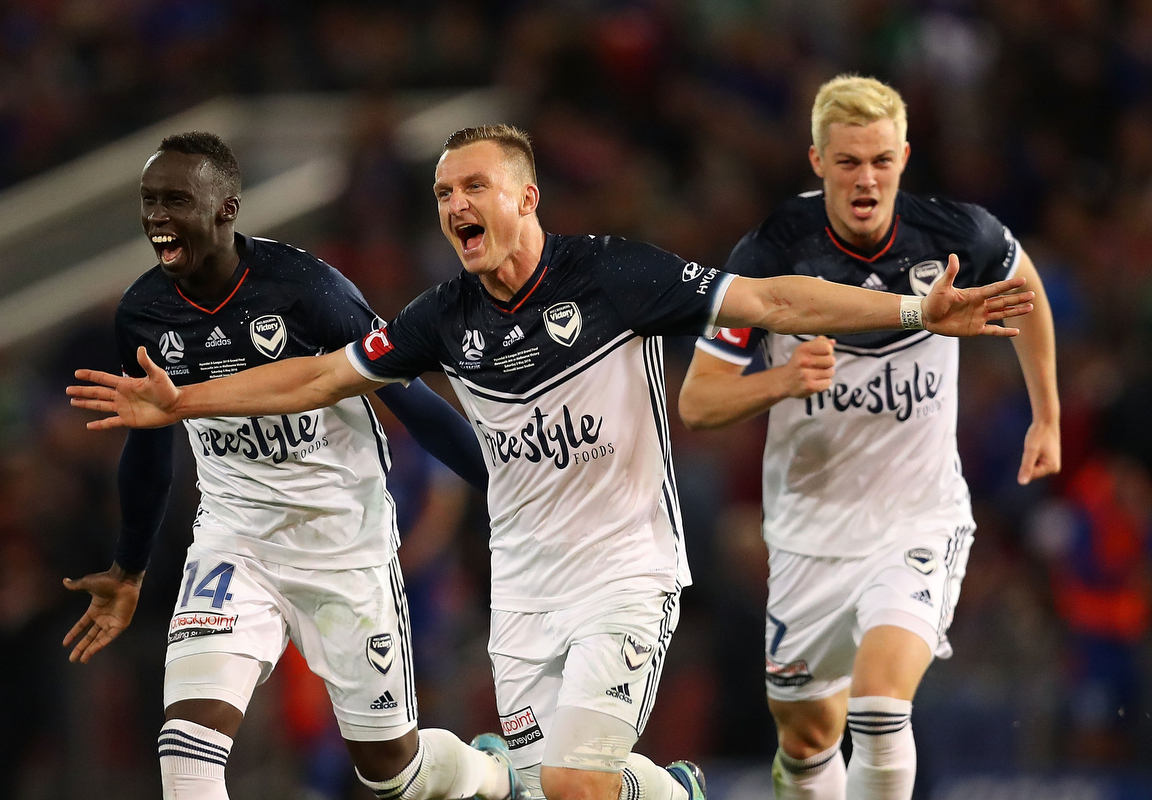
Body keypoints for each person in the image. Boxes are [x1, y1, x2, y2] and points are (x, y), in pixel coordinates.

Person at [67, 125, 1033, 800]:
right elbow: (317, 379)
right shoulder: (440, 318)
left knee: (572, 785)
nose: (453, 205)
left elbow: (775, 301)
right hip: (523, 591)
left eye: (472, 187)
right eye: (443, 193)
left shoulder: (614, 276)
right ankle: (654, 790)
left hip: (626, 571)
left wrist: (911, 312)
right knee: (548, 789)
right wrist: (182, 402)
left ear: (526, 197)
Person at [60, 132, 529, 800]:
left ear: (226, 209)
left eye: (175, 200)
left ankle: (492, 775)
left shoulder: (308, 290)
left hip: (342, 544)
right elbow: (149, 447)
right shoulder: (145, 312)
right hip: (234, 545)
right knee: (185, 752)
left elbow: (412, 400)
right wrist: (129, 567)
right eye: (149, 201)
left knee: (391, 771)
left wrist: (510, 487)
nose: (157, 216)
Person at [676, 75, 1060, 800]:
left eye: (881, 160)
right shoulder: (766, 255)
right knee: (806, 740)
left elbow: (1026, 288)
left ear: (905, 156)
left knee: (881, 707)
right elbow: (697, 403)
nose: (866, 178)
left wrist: (1048, 415)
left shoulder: (954, 237)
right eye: (848, 162)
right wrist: (780, 382)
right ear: (817, 160)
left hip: (916, 521)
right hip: (806, 536)